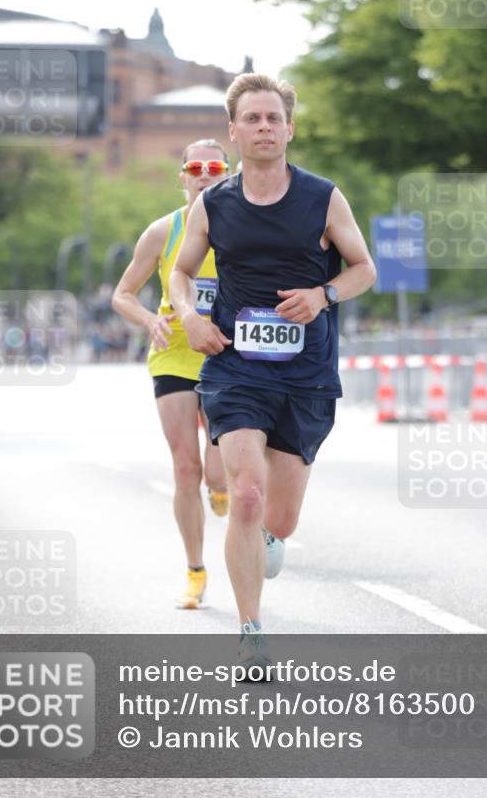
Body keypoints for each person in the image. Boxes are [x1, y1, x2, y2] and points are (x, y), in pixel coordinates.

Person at [169, 74, 376, 650]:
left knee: (279, 520)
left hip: (306, 372)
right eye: (252, 119)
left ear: (289, 129)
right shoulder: (213, 203)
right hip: (236, 368)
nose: (264, 127)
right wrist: (189, 315)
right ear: (234, 131)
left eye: (273, 118)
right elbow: (181, 271)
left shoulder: (322, 197)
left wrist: (323, 295)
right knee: (246, 495)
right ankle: (250, 631)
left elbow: (363, 269)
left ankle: (267, 539)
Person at [112, 139, 232, 609]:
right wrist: (149, 320)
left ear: (228, 174)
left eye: (214, 167)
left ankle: (221, 487)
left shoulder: (245, 226)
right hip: (174, 352)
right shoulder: (163, 231)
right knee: (185, 466)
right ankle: (195, 570)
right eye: (195, 167)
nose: (204, 174)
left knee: (218, 472)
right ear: (182, 176)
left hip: (226, 351)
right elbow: (123, 293)